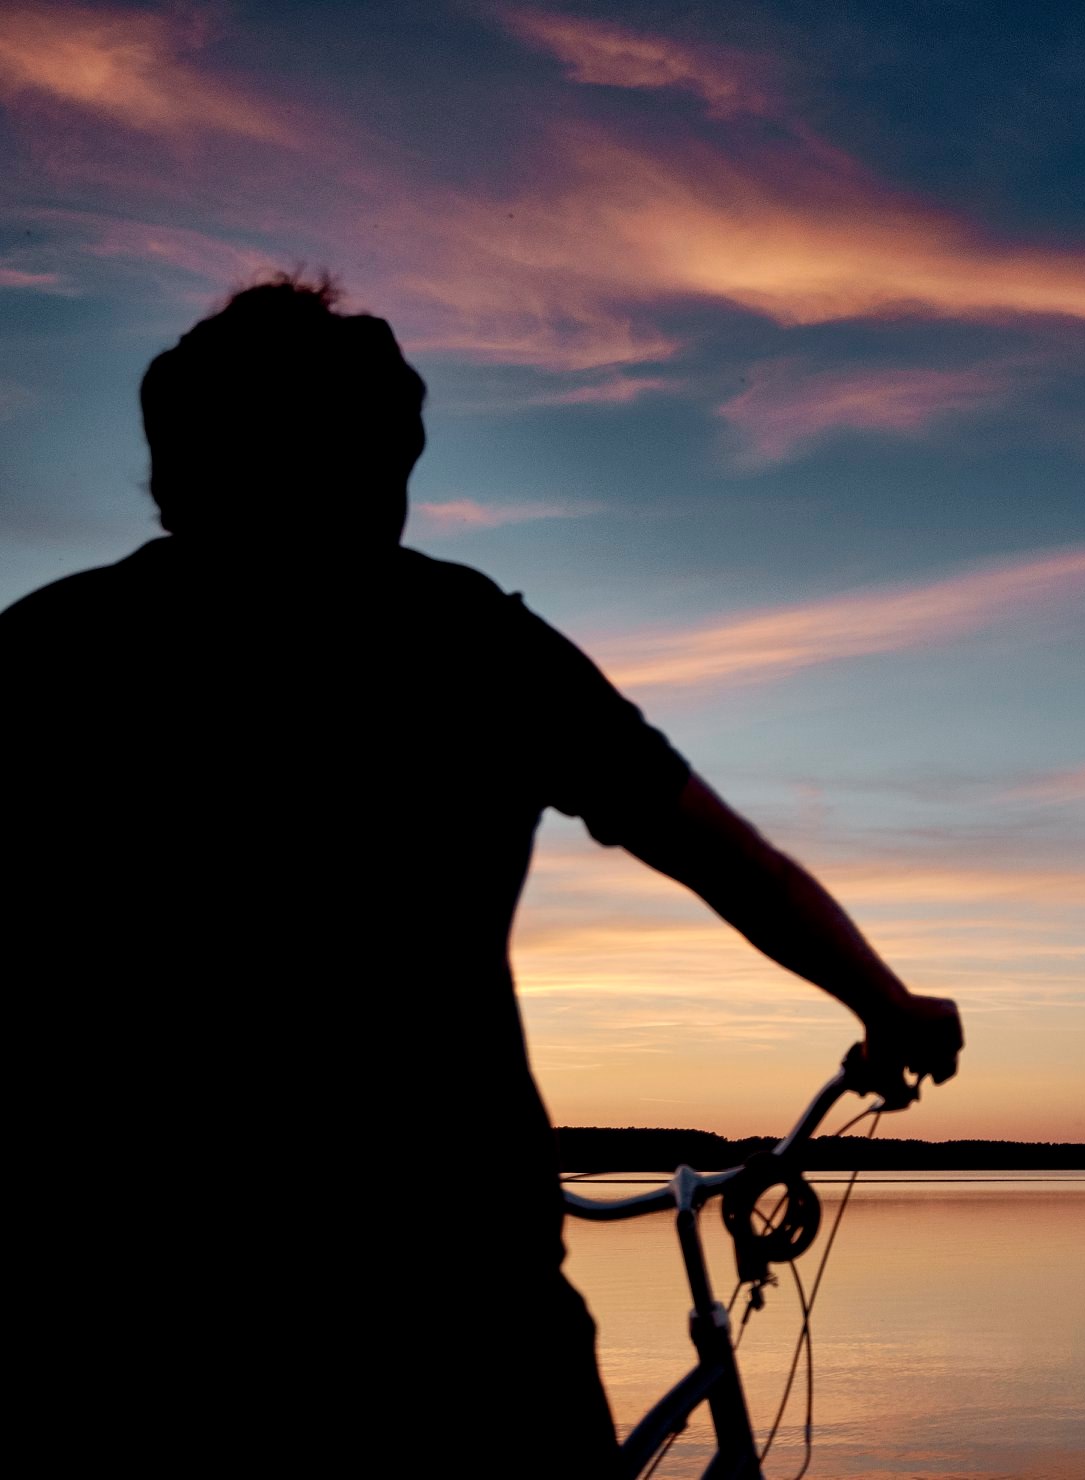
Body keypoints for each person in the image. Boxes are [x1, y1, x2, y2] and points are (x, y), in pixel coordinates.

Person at [1, 274, 961, 1477]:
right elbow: (731, 862)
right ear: (367, 464)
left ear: (175, 471)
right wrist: (883, 1002)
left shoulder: (48, 649)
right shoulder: (472, 641)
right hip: (457, 1285)